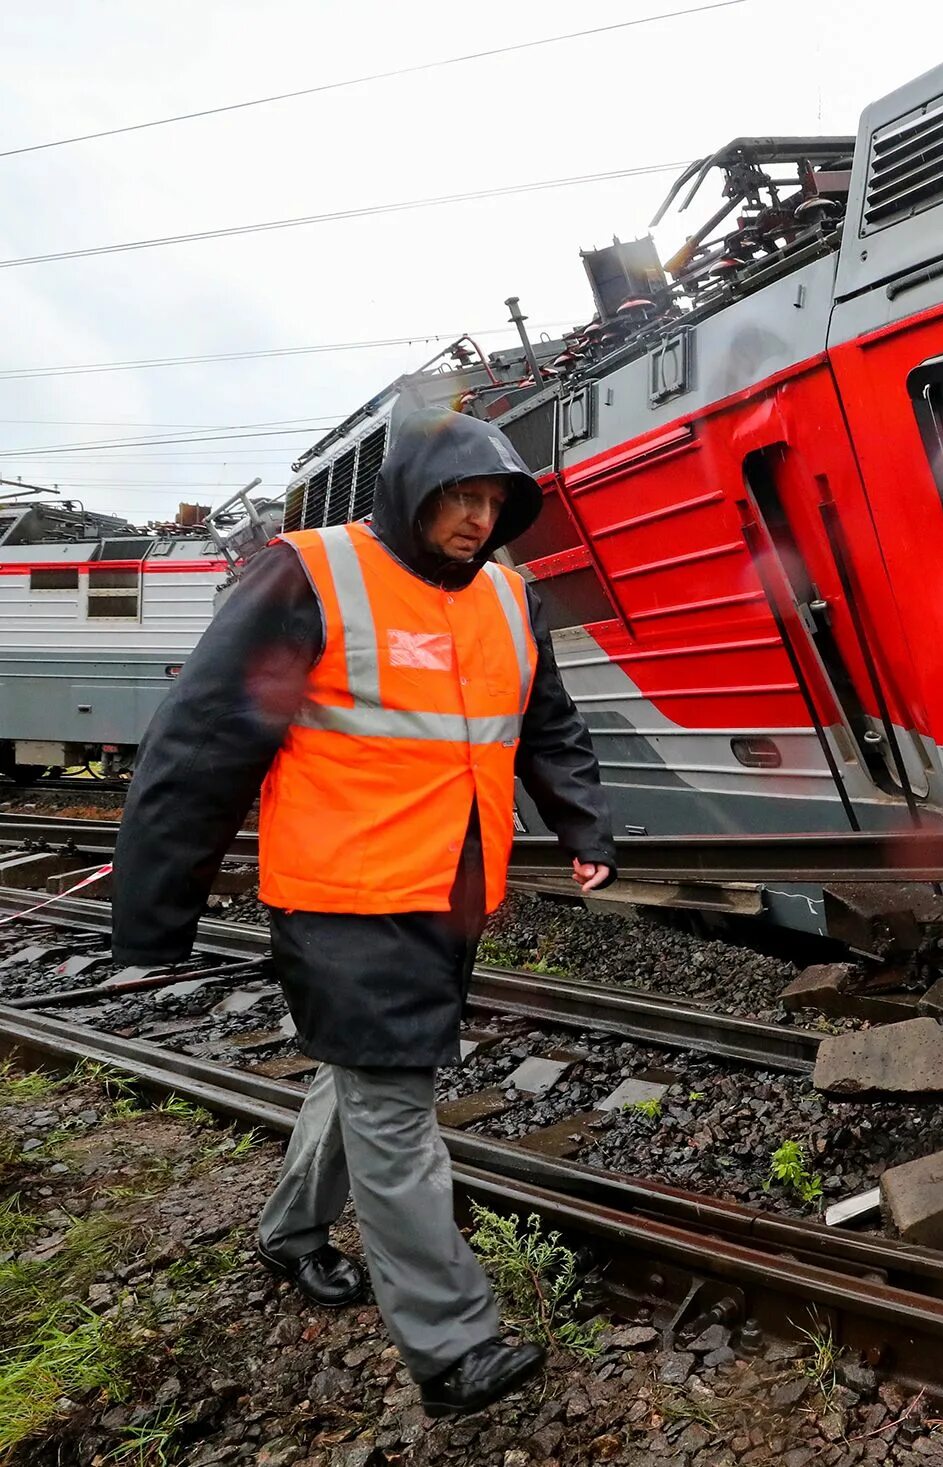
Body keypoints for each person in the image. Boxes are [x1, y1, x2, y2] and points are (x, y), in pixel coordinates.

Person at [113, 408, 618, 1418]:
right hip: (344, 898)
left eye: (493, 503)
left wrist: (584, 826)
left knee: (366, 1079)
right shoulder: (310, 574)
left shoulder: (511, 600)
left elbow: (544, 725)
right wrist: (153, 917)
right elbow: (202, 743)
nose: (477, 519)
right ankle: (452, 1346)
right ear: (410, 491)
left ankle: (291, 1234)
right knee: (393, 1110)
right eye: (458, 498)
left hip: (454, 890)